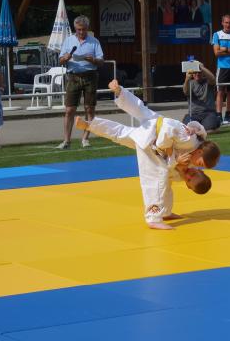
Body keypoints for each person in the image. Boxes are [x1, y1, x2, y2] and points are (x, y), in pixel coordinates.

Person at [75, 80, 218, 230]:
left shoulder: (181, 169)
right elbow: (187, 132)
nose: (191, 172)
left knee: (124, 130)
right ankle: (153, 217)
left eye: (189, 180)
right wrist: (182, 138)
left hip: (150, 135)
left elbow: (169, 169)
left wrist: (175, 161)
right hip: (155, 136)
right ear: (199, 164)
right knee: (156, 176)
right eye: (197, 170)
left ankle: (90, 123)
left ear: (188, 186)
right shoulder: (192, 144)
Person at [57, 15, 104, 149]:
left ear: (87, 29)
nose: (81, 32)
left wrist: (93, 60)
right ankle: (66, 141)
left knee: (89, 108)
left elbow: (101, 61)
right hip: (73, 76)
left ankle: (85, 139)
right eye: (78, 29)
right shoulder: (68, 41)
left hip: (90, 76)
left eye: (83, 29)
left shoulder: (94, 41)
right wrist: (65, 58)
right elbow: (60, 60)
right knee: (69, 109)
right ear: (75, 28)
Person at [212, 14, 230, 125]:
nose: (228, 25)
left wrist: (224, 49)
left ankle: (227, 115)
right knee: (220, 92)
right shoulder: (217, 35)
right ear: (222, 23)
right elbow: (216, 52)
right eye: (226, 22)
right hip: (222, 68)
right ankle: (219, 116)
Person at [182, 61, 221, 132]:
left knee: (208, 129)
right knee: (186, 130)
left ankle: (216, 121)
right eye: (195, 72)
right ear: (192, 74)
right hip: (193, 114)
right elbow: (185, 91)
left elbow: (213, 79)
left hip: (208, 113)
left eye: (199, 72)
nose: (197, 74)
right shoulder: (189, 83)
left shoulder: (208, 82)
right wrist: (187, 79)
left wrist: (201, 67)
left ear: (203, 73)